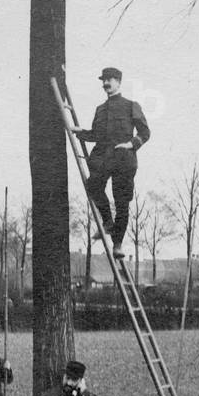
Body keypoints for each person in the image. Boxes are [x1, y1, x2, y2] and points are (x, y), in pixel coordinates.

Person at [71, 67, 151, 259]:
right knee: (93, 185)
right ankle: (107, 222)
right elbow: (96, 135)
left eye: (110, 80)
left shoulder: (132, 105)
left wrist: (131, 144)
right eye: (104, 80)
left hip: (124, 159)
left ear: (119, 82)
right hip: (103, 159)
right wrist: (80, 132)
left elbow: (145, 132)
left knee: (122, 202)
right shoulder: (100, 109)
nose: (106, 83)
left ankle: (117, 244)